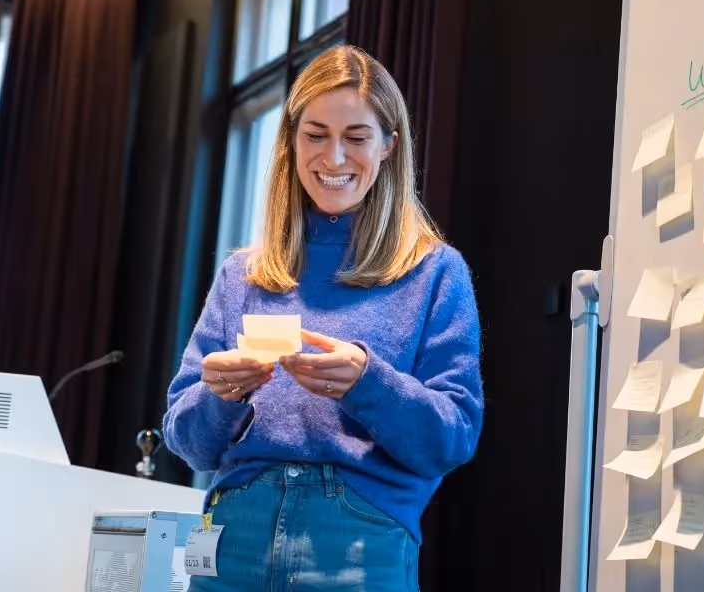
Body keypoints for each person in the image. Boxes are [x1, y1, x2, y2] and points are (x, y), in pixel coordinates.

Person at [163, 44, 484, 591]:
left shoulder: (434, 272)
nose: (334, 158)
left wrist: (369, 384)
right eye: (315, 135)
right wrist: (220, 395)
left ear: (389, 146)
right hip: (232, 537)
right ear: (291, 141)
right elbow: (187, 442)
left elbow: (451, 440)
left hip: (359, 544)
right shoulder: (243, 276)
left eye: (356, 138)